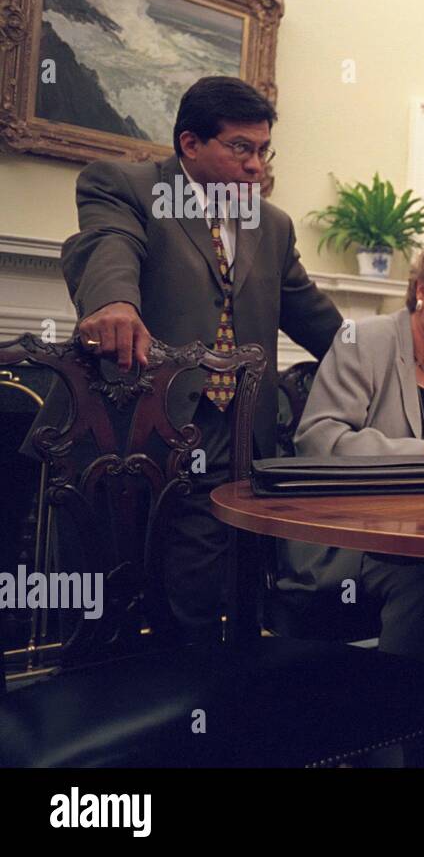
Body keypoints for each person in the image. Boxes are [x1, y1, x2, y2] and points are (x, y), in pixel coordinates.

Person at [39, 76, 342, 639]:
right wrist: (113, 302)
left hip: (239, 428)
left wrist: (386, 355)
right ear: (189, 144)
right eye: (241, 148)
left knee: (207, 583)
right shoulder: (127, 185)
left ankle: (200, 689)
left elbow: (312, 314)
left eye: (263, 150)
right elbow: (108, 245)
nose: (256, 166)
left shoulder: (269, 222)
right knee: (115, 594)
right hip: (140, 425)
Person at [278, 233, 424, 714]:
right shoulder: (363, 341)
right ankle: (393, 721)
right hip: (345, 537)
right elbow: (320, 442)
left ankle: (392, 716)